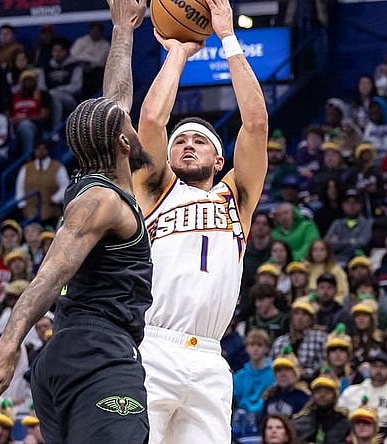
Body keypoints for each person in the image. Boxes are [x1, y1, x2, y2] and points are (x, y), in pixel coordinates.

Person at [0, 2, 151, 443]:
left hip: (69, 357)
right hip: (98, 357)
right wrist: (5, 349)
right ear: (122, 141)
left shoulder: (98, 181)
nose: (134, 124)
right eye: (129, 125)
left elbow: (115, 100)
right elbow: (50, 274)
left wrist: (123, 29)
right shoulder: (100, 201)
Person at [132, 0, 269, 441]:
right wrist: (177, 51)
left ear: (219, 157)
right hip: (153, 345)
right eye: (180, 141)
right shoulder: (155, 190)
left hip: (211, 358)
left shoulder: (237, 196)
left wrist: (228, 37)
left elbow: (257, 123)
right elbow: (151, 118)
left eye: (199, 140)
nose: (187, 145)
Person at [338, 349, 387, 426]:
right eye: (375, 366)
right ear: (369, 368)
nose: (378, 370)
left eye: (383, 367)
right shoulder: (352, 391)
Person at [292, 376, 352, 443]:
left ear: (335, 396)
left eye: (327, 392)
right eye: (318, 392)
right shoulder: (300, 422)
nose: (322, 395)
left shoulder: (345, 422)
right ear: (313, 396)